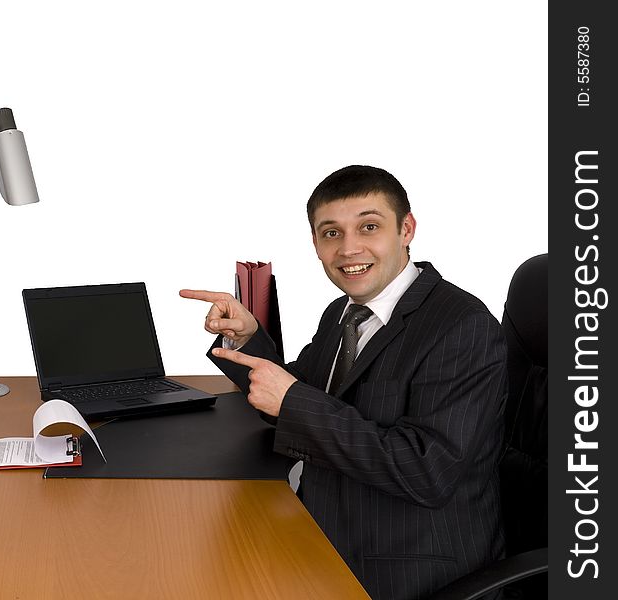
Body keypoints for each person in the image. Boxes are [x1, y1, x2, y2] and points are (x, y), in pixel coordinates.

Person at [180, 165, 506, 600]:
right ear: (315, 243)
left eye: (369, 227)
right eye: (331, 233)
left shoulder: (461, 325)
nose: (349, 249)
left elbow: (427, 471)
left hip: (409, 563)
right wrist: (247, 338)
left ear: (406, 229)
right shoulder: (343, 312)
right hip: (327, 524)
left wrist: (293, 401)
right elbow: (293, 397)